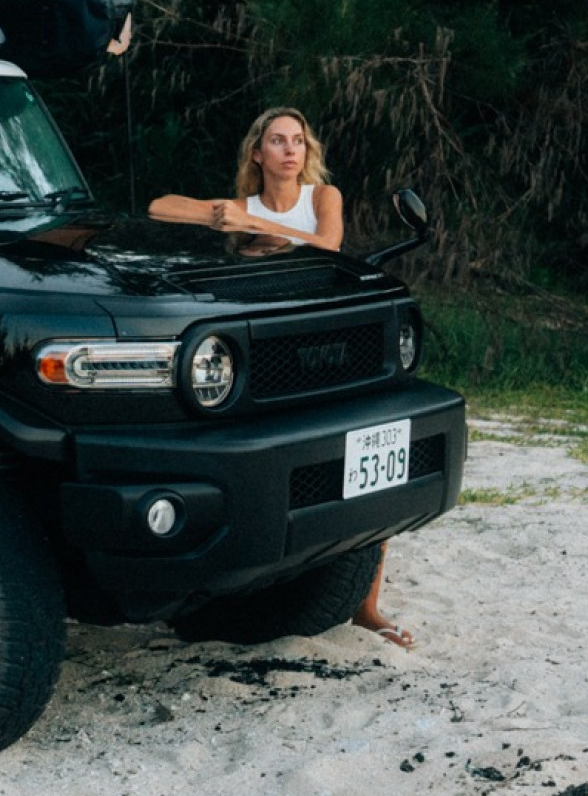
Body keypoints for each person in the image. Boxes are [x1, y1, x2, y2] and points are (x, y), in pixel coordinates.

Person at [149, 107, 416, 649]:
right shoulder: (240, 207)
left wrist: (257, 226)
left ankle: (367, 606)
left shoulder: (320, 197)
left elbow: (329, 246)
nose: (291, 150)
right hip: (270, 351)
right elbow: (159, 207)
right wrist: (219, 215)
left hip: (330, 342)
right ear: (257, 153)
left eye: (298, 140)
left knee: (370, 453)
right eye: (277, 140)